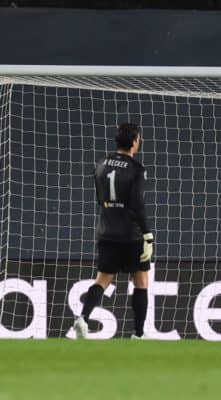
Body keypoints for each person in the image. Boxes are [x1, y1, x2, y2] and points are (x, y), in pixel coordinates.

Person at [72, 123, 154, 339]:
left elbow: (99, 198)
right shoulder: (137, 169)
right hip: (131, 235)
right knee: (141, 280)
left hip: (106, 231)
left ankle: (83, 318)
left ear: (117, 141)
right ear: (135, 141)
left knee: (102, 279)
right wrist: (147, 235)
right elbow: (137, 204)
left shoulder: (100, 164)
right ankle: (138, 334)